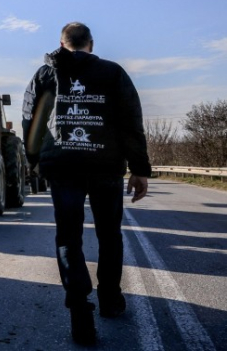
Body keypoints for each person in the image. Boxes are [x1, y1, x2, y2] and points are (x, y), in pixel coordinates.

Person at [22, 22, 150, 345]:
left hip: (63, 167)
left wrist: (34, 158)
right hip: (105, 166)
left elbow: (30, 117)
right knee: (109, 235)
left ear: (62, 43)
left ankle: (80, 312)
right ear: (90, 44)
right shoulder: (113, 73)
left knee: (69, 238)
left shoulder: (44, 75)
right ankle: (109, 300)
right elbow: (130, 121)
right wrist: (139, 169)